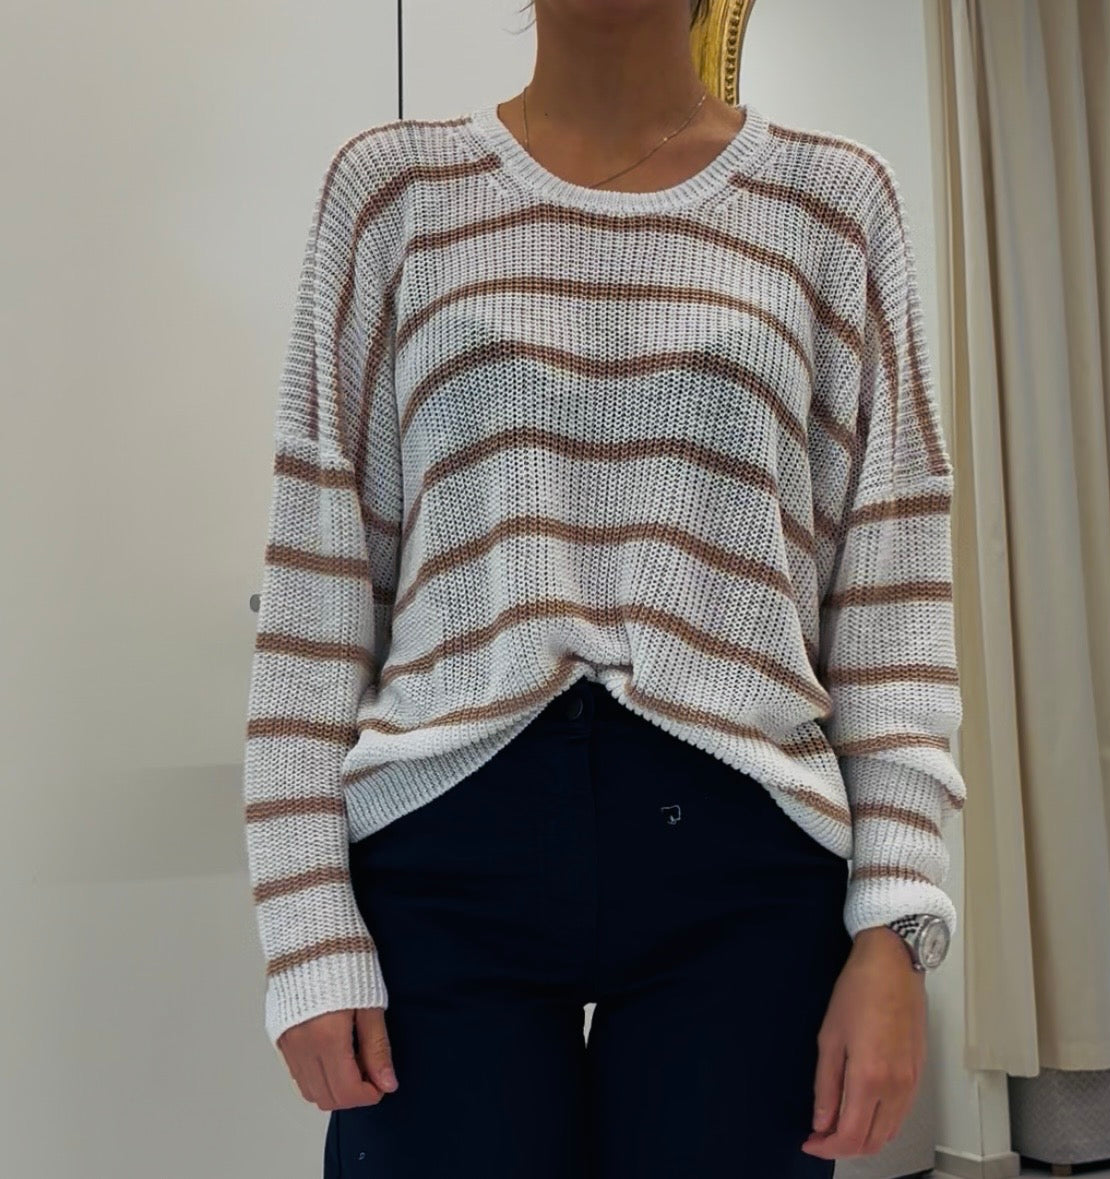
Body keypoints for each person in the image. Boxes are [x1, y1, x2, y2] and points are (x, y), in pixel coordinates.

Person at [242, 0, 968, 1174]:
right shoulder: (393, 195)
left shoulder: (834, 203)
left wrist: (895, 924)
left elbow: (890, 592)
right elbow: (318, 584)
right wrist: (305, 926)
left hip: (742, 848)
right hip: (446, 842)